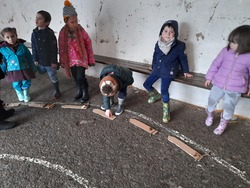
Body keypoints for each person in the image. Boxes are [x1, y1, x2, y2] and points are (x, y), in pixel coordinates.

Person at [143, 20, 193, 123]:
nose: (168, 34)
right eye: (165, 31)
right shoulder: (158, 44)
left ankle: (166, 109)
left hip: (169, 71)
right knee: (146, 84)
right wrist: (153, 66)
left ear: (175, 34)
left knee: (164, 90)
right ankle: (155, 95)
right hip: (157, 69)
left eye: (171, 31)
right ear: (161, 32)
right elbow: (155, 56)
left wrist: (186, 71)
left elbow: (183, 59)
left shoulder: (179, 45)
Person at [204, 25, 250, 135]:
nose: (230, 44)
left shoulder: (249, 57)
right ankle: (210, 115)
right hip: (218, 83)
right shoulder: (225, 51)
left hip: (236, 88)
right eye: (230, 41)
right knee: (211, 101)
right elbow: (215, 64)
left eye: (234, 42)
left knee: (229, 107)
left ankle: (223, 123)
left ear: (245, 44)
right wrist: (209, 77)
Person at [58, 0, 95, 103]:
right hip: (70, 60)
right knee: (75, 77)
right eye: (72, 22)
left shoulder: (81, 30)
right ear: (66, 21)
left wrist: (90, 58)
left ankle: (85, 91)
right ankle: (79, 90)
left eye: (76, 21)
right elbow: (61, 47)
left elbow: (88, 42)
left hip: (81, 58)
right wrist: (62, 61)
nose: (75, 24)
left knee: (80, 76)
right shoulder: (62, 32)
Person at [0, 27, 37, 102]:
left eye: (13, 36)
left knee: (26, 81)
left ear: (16, 36)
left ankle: (26, 93)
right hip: (12, 70)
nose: (11, 39)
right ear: (4, 38)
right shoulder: (2, 49)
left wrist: (33, 67)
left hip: (24, 68)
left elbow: (29, 57)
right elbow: (3, 61)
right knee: (16, 83)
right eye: (8, 37)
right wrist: (2, 70)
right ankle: (19, 93)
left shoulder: (22, 46)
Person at [31, 10, 61, 99]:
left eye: (39, 18)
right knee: (40, 71)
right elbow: (34, 46)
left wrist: (54, 62)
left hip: (48, 61)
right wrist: (35, 58)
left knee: (52, 75)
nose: (36, 20)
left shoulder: (50, 34)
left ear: (47, 22)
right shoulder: (34, 33)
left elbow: (53, 49)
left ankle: (57, 91)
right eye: (36, 18)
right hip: (39, 60)